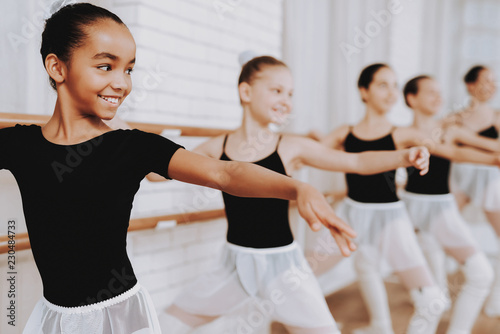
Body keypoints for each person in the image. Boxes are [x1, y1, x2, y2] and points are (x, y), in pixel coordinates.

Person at [1, 3, 359, 333]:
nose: (122, 82)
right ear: (57, 67)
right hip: (52, 315)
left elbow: (225, 174)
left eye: (129, 69)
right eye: (105, 66)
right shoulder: (19, 144)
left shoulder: (133, 146)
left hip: (120, 314)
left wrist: (297, 188)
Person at [155, 55, 430, 334]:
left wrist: (404, 156)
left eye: (290, 94)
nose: (286, 100)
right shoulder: (217, 147)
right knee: (167, 323)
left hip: (284, 269)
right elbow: (156, 173)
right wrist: (128, 141)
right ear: (246, 92)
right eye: (277, 91)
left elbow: (356, 162)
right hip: (234, 266)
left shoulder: (291, 147)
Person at [316, 63, 500, 334]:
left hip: (406, 212)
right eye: (383, 85)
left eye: (394, 86)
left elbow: (454, 153)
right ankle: (380, 326)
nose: (391, 92)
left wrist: (492, 158)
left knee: (436, 292)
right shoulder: (354, 132)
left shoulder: (414, 134)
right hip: (371, 210)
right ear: (364, 91)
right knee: (358, 263)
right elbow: (348, 161)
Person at [401, 75, 500, 334]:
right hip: (410, 210)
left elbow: (468, 150)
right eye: (431, 92)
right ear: (412, 99)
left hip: (442, 209)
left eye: (440, 93)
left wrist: (494, 159)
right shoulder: (402, 134)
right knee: (432, 298)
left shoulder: (450, 129)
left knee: (481, 275)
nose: (439, 98)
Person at [445, 65, 500, 317]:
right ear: (470, 85)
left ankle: (495, 299)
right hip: (460, 179)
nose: (492, 85)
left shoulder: (497, 117)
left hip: (491, 183)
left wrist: (465, 137)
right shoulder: (455, 117)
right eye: (486, 80)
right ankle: (438, 290)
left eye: (494, 81)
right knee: (437, 228)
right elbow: (445, 146)